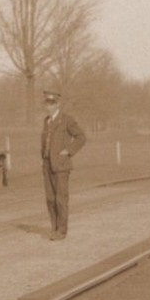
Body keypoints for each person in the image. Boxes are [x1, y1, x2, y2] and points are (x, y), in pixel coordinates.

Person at [40, 89, 87, 240]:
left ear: (58, 104)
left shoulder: (66, 120)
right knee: (50, 198)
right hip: (47, 164)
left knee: (61, 198)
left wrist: (68, 151)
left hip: (61, 165)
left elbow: (81, 137)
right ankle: (54, 228)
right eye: (47, 102)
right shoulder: (46, 121)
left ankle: (61, 231)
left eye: (52, 103)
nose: (48, 106)